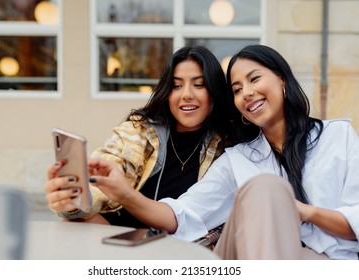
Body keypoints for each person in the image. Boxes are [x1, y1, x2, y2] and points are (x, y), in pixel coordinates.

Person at [87, 44, 359, 259]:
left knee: (269, 190)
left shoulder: (338, 136)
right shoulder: (238, 159)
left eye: (254, 79)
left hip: (330, 261)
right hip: (258, 259)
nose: (247, 93)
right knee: (265, 187)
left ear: (282, 80)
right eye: (237, 89)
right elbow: (183, 214)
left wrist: (302, 212)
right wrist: (125, 193)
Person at [44, 45, 233, 229]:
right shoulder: (139, 132)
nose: (186, 95)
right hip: (122, 237)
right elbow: (110, 164)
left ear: (214, 90)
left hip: (178, 246)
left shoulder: (226, 147)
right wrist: (75, 200)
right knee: (73, 224)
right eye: (176, 86)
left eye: (199, 85)